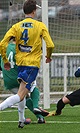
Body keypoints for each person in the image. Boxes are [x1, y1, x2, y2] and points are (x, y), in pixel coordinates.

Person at [0, 0, 54, 128]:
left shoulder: (16, 26)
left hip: (21, 65)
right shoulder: (40, 26)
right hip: (32, 65)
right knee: (20, 95)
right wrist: (48, 56)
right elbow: (51, 45)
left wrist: (5, 60)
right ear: (34, 11)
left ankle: (21, 120)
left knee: (22, 93)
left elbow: (2, 44)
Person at [0, 39, 48, 124]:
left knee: (23, 97)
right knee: (33, 86)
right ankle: (36, 107)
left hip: (8, 79)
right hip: (19, 78)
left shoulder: (5, 47)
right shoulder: (21, 49)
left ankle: (22, 120)